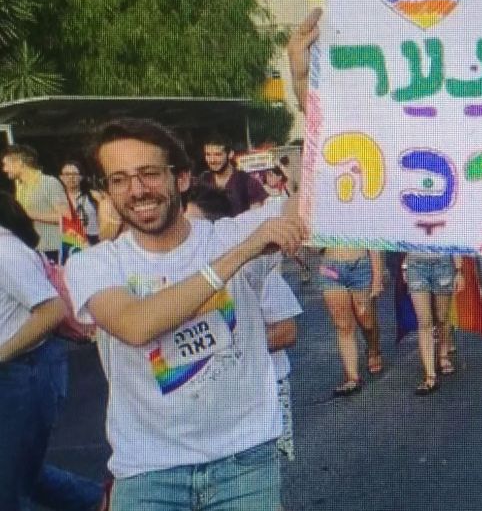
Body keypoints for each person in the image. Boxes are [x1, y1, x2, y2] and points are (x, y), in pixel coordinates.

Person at [64, 118, 306, 511]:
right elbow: (136, 324)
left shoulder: (226, 234)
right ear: (106, 191)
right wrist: (242, 254)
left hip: (243, 462)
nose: (138, 190)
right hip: (148, 472)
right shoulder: (93, 264)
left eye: (149, 174)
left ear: (181, 179)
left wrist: (306, 81)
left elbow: (310, 202)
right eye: (120, 179)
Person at [0, 191, 105, 511]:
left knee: (10, 481)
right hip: (18, 369)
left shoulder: (5, 252)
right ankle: (99, 500)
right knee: (18, 469)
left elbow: (52, 310)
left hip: (24, 371)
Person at [184, 183, 303, 461]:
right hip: (215, 401)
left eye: (193, 226)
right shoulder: (180, 279)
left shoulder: (255, 268)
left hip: (266, 388)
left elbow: (286, 332)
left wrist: (224, 343)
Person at [315, 246, 385, 396]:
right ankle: (352, 378)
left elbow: (373, 238)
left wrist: (377, 277)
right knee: (343, 325)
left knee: (367, 322)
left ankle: (373, 348)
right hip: (331, 267)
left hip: (360, 266)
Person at [402, 252, 464, 395]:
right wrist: (404, 266)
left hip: (443, 263)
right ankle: (430, 376)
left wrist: (459, 270)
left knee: (442, 317)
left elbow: (455, 234)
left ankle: (443, 353)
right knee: (424, 321)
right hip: (416, 265)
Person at [2, 145, 67, 263]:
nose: (4, 169)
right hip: (32, 250)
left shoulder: (49, 182)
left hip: (53, 249)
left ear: (19, 163)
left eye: (6, 164)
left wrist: (28, 214)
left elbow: (65, 217)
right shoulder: (20, 187)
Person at [197, 134, 268, 216]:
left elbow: (257, 218)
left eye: (218, 154)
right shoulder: (203, 181)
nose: (212, 160)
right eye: (208, 155)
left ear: (230, 154)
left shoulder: (247, 182)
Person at [59, 160, 108, 246]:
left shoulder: (94, 195)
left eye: (74, 174)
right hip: (71, 241)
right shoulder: (58, 198)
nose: (71, 177)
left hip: (95, 240)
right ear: (61, 177)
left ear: (81, 177)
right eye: (67, 174)